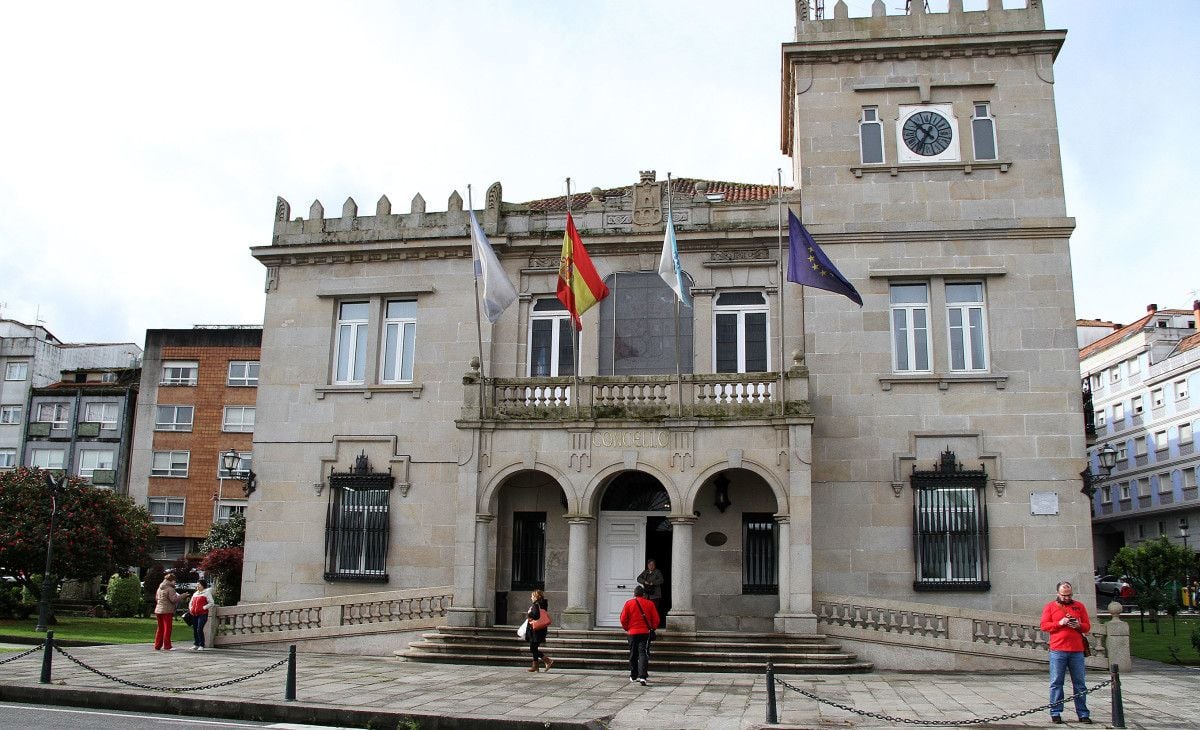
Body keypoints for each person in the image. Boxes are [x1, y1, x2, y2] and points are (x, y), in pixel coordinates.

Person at [1039, 581, 1092, 724]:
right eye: (1064, 595)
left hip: (1077, 650)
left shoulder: (1079, 606)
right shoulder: (1050, 607)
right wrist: (1060, 623)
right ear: (1058, 594)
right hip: (1058, 649)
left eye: (1069, 595)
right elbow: (1044, 626)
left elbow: (1087, 626)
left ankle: (1083, 713)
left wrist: (1078, 625)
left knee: (1080, 683)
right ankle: (1055, 712)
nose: (1067, 598)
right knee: (1056, 682)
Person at [620, 585, 660, 686]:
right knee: (643, 653)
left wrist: (627, 628)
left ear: (634, 594)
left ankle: (633, 675)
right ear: (643, 594)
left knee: (633, 653)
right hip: (644, 632)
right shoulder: (649, 603)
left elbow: (623, 618)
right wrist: (652, 627)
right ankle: (642, 676)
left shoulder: (629, 603)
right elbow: (656, 619)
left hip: (632, 632)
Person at [525, 588, 553, 672]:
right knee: (534, 648)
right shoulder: (542, 604)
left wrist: (530, 614)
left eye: (532, 596)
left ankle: (547, 660)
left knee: (533, 648)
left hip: (536, 630)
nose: (531, 597)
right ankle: (536, 665)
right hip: (540, 629)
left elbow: (536, 615)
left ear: (536, 597)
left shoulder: (536, 604)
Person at [153, 573, 180, 651]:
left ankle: (157, 645)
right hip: (167, 611)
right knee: (167, 628)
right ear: (171, 581)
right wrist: (182, 596)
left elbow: (156, 598)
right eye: (174, 581)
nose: (175, 583)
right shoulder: (170, 589)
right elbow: (173, 600)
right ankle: (167, 646)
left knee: (160, 628)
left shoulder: (160, 588)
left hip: (158, 610)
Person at [636, 559, 664, 626]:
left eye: (652, 565)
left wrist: (653, 583)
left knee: (654, 610)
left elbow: (661, 580)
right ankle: (647, 624)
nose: (651, 566)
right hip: (647, 595)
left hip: (655, 595)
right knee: (646, 610)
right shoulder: (645, 572)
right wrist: (644, 581)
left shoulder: (657, 572)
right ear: (647, 565)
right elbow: (638, 578)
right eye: (650, 565)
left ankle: (654, 624)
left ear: (654, 565)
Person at [188, 579, 214, 650]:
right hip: (194, 614)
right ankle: (196, 644)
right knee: (195, 629)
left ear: (203, 586)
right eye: (197, 584)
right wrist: (191, 608)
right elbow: (191, 602)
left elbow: (211, 602)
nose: (197, 586)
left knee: (199, 629)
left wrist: (203, 607)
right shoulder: (195, 593)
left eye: (199, 584)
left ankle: (201, 645)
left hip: (202, 614)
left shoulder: (207, 593)